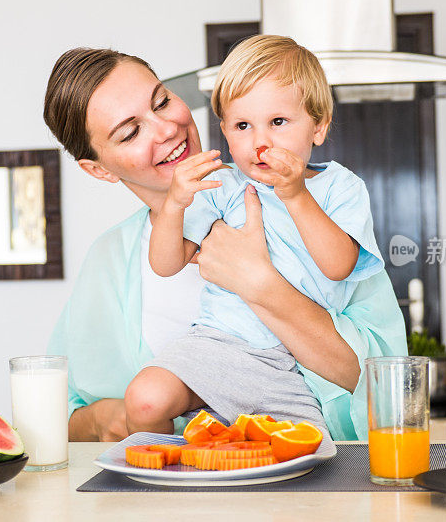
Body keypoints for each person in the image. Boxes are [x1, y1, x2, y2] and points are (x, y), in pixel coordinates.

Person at [43, 46, 407, 442]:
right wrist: (107, 417)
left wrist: (261, 283)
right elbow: (60, 417)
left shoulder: (321, 202)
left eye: (162, 102)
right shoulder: (110, 259)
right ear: (98, 169)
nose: (165, 129)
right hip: (174, 497)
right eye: (130, 132)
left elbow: (384, 383)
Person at [125, 35, 383, 438]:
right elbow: (166, 263)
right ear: (225, 132)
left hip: (292, 360)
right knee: (145, 398)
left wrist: (295, 194)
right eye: (243, 126)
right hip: (218, 342)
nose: (260, 141)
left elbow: (338, 267)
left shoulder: (340, 188)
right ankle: (169, 479)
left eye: (278, 122)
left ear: (318, 126)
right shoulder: (224, 184)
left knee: (306, 455)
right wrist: (174, 203)